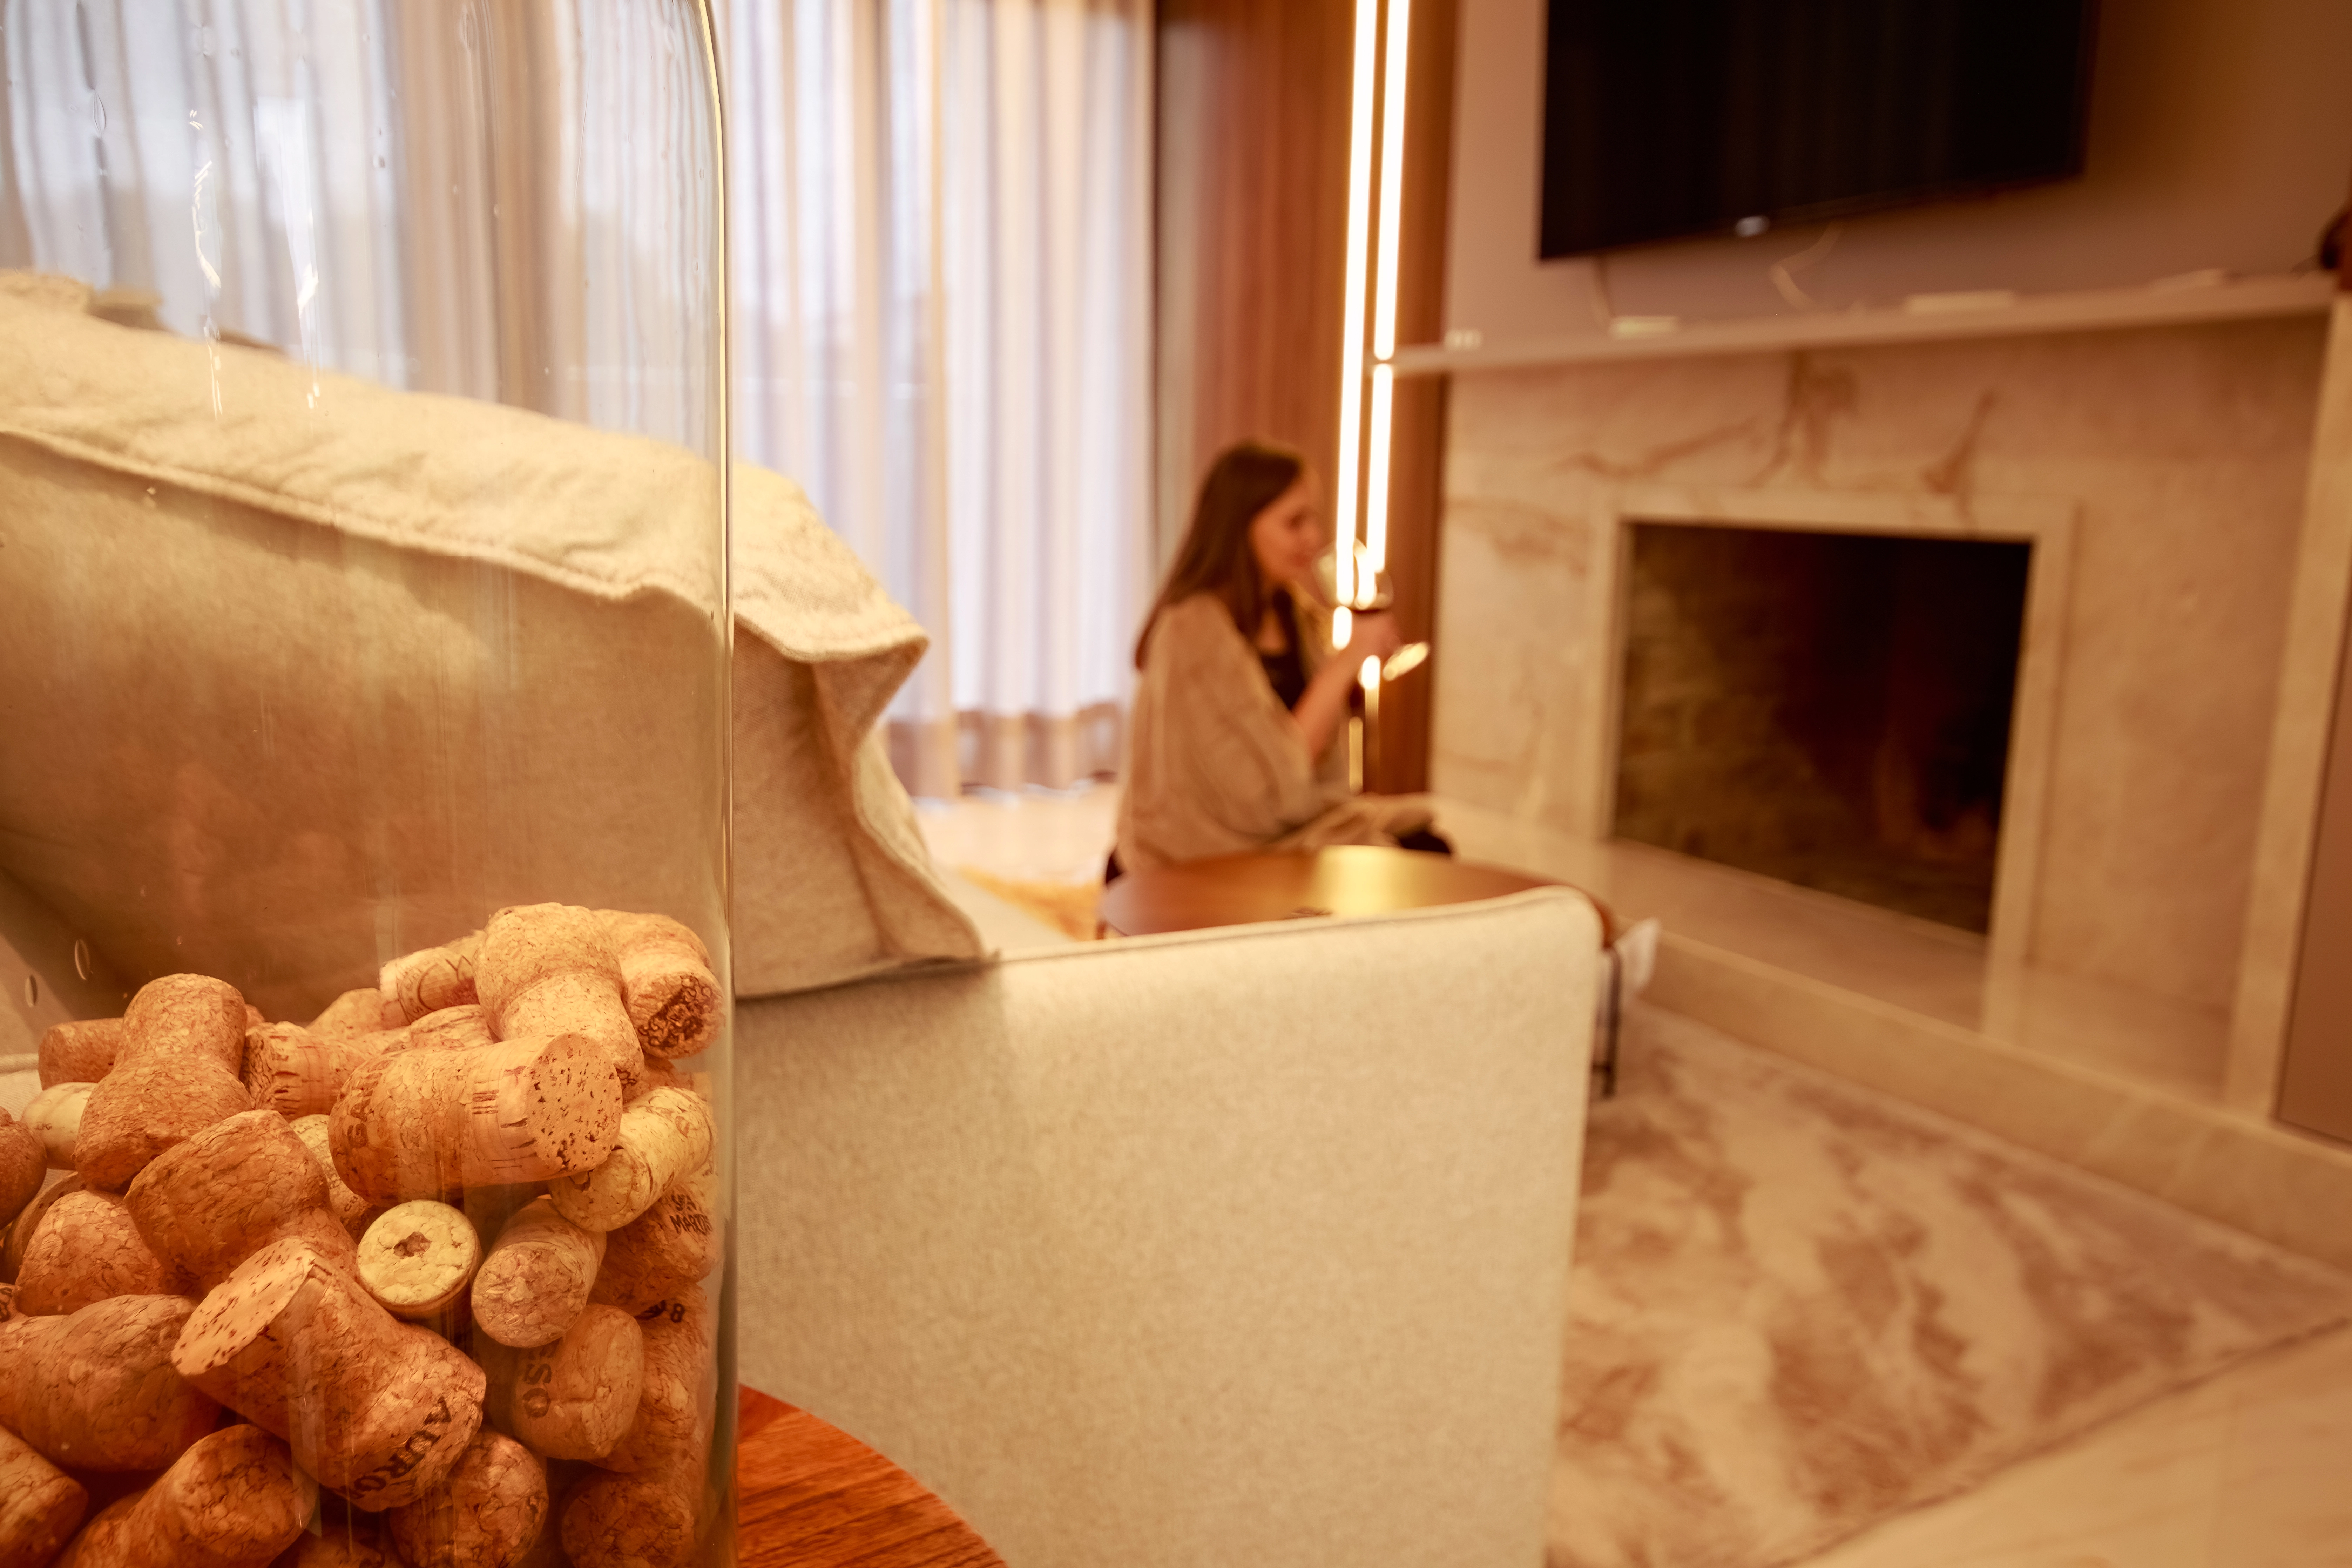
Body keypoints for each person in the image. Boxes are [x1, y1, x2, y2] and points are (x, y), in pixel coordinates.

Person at [1111, 440, 1446, 879]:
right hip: (1210, 842)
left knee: (1430, 845)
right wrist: (1346, 663)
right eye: (1294, 521)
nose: (1313, 536)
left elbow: (1311, 759)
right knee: (1409, 862)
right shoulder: (1192, 631)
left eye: (1313, 518)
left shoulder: (1294, 612)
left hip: (1285, 826)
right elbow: (1264, 789)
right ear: (1241, 528)